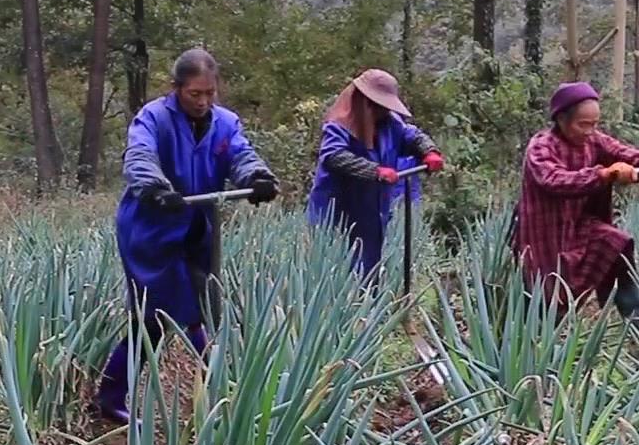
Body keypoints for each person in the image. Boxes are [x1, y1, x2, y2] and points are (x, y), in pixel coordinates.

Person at [95, 48, 278, 422]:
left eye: (210, 93)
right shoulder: (154, 118)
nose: (203, 101)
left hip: (197, 225)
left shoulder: (225, 123)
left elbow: (240, 156)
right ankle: (116, 396)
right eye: (195, 94)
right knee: (156, 317)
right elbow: (139, 157)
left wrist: (256, 178)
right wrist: (156, 189)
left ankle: (221, 397)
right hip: (151, 228)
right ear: (176, 88)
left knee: (201, 307)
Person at [512, 81, 639, 332]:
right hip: (546, 233)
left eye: (595, 124)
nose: (590, 131)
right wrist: (603, 174)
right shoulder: (541, 147)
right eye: (583, 124)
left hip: (579, 225)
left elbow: (632, 156)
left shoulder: (594, 141)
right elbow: (554, 180)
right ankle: (533, 343)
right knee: (549, 294)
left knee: (617, 244)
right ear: (561, 119)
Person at [306, 68, 444, 281]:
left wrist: (429, 151)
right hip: (338, 210)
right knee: (338, 271)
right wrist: (374, 171)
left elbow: (412, 135)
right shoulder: (339, 126)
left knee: (369, 266)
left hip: (371, 210)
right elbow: (333, 156)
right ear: (365, 102)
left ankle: (368, 309)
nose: (381, 110)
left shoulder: (390, 123)